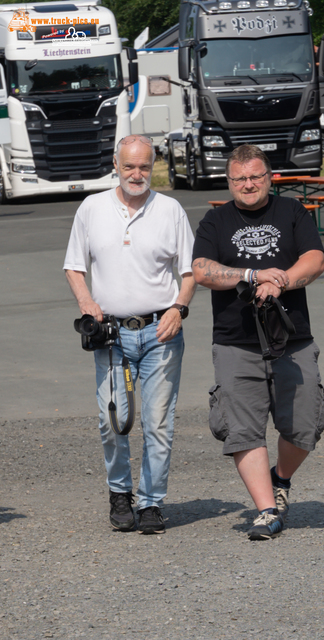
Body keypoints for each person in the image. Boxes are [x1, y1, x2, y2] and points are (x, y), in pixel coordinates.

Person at [192, 145, 324, 540]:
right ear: (229, 182)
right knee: (243, 428)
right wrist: (254, 276)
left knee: (306, 423)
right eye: (240, 178)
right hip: (236, 343)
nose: (248, 184)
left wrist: (280, 279)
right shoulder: (215, 221)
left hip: (292, 339)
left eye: (256, 176)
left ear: (270, 177)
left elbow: (315, 260)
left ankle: (280, 479)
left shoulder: (291, 211)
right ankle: (266, 510)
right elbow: (202, 271)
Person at [64, 135, 196, 535]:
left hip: (160, 332)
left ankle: (152, 502)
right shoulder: (91, 208)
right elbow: (74, 266)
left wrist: (179, 308)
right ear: (115, 166)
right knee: (113, 420)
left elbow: (190, 272)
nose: (136, 174)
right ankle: (120, 494)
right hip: (112, 336)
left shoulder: (170, 210)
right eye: (129, 166)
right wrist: (87, 302)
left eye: (144, 167)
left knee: (158, 423)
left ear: (152, 166)